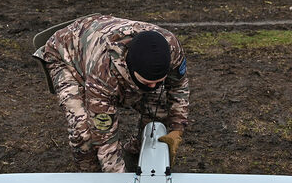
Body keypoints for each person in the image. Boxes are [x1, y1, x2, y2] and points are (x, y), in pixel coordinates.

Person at [33, 14, 189, 173]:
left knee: (159, 107)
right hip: (66, 55)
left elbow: (178, 86)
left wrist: (177, 128)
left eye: (159, 81)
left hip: (95, 37)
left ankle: (137, 152)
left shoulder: (171, 49)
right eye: (147, 82)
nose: (153, 86)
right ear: (131, 69)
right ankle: (89, 177)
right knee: (83, 132)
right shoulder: (103, 73)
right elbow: (105, 139)